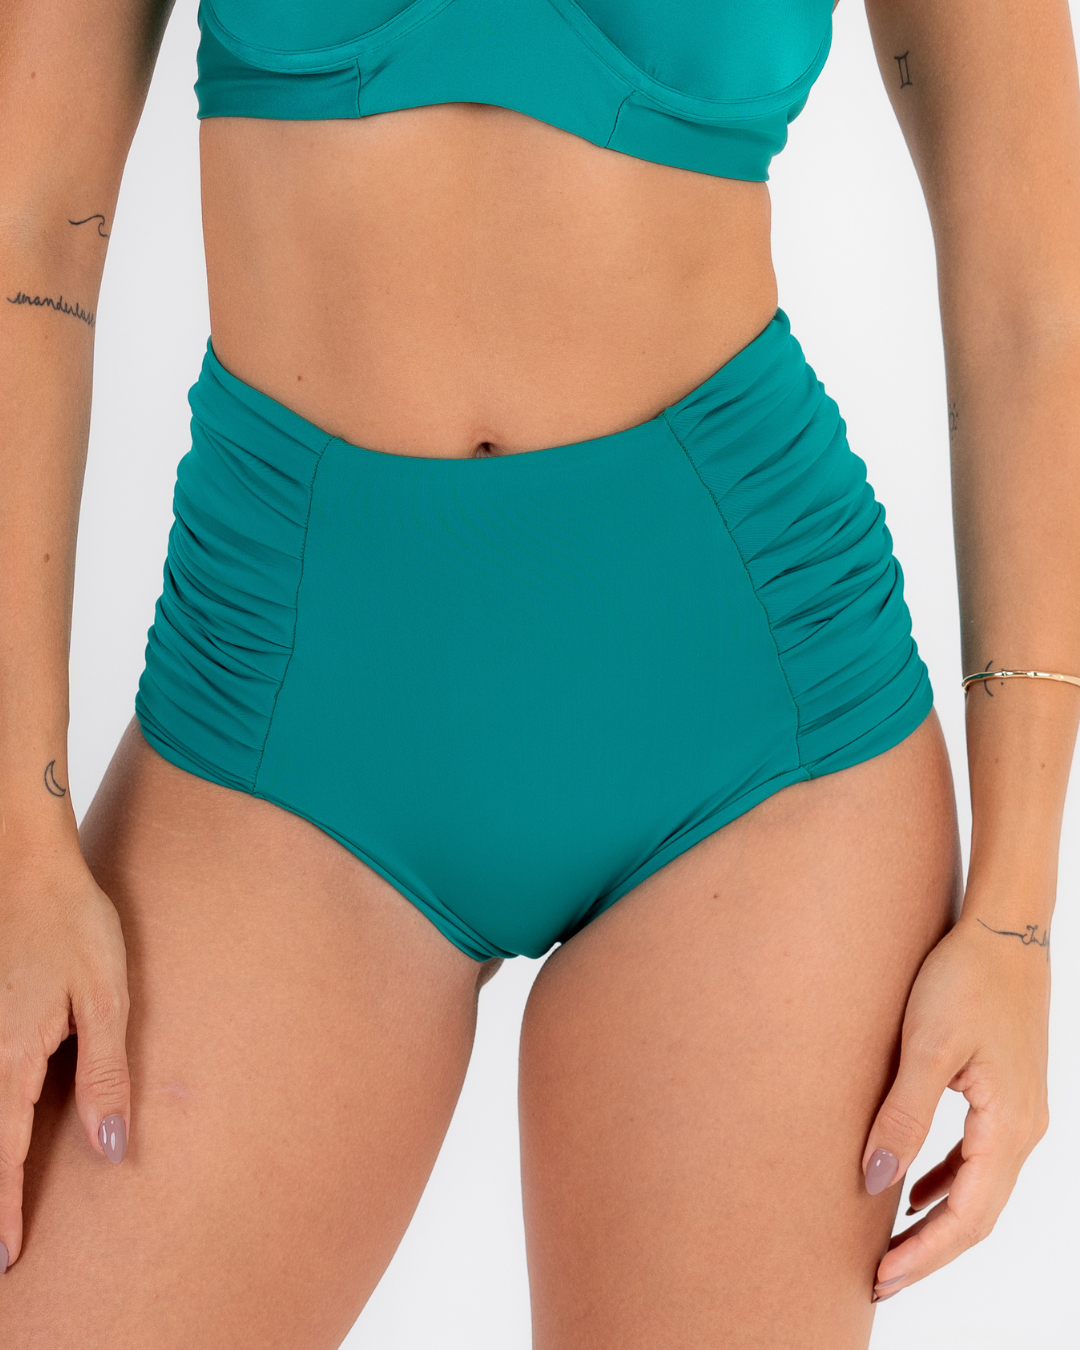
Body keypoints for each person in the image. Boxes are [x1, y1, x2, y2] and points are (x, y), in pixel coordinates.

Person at [1, 0, 1078, 1345]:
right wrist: (18, 839)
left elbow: (1034, 301)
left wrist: (1018, 919)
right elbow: (28, 227)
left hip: (752, 727)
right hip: (278, 714)